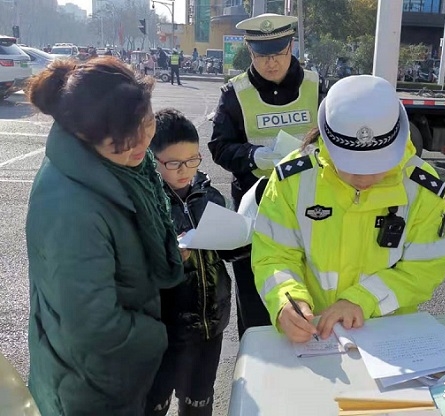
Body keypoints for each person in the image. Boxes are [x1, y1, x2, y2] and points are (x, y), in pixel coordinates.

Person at [25, 57, 184, 415]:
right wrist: (157, 335)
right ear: (84, 134)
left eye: (147, 123)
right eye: (125, 139)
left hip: (111, 373)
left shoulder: (120, 165)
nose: (143, 142)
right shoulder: (70, 207)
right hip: (92, 385)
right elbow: (94, 326)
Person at [251, 75, 445, 342]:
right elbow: (274, 255)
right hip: (314, 337)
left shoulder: (422, 188)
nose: (363, 178)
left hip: (390, 338)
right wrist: (287, 301)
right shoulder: (293, 179)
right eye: (351, 166)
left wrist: (362, 299)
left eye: (375, 166)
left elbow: (425, 267)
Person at [208, 13, 321, 338]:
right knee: (257, 308)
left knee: (311, 298)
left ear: (291, 46)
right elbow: (219, 146)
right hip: (255, 211)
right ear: (250, 51)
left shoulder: (316, 86)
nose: (270, 63)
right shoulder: (235, 92)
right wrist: (255, 155)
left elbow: (335, 139)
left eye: (278, 54)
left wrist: (316, 153)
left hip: (311, 209)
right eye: (261, 55)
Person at [145, 109, 233, 416]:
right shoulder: (148, 203)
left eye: (193, 160)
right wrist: (170, 256)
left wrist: (241, 241)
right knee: (154, 401)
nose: (185, 170)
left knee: (199, 400)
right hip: (165, 330)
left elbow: (227, 252)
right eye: (174, 163)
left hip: (210, 325)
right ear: (151, 159)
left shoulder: (209, 195)